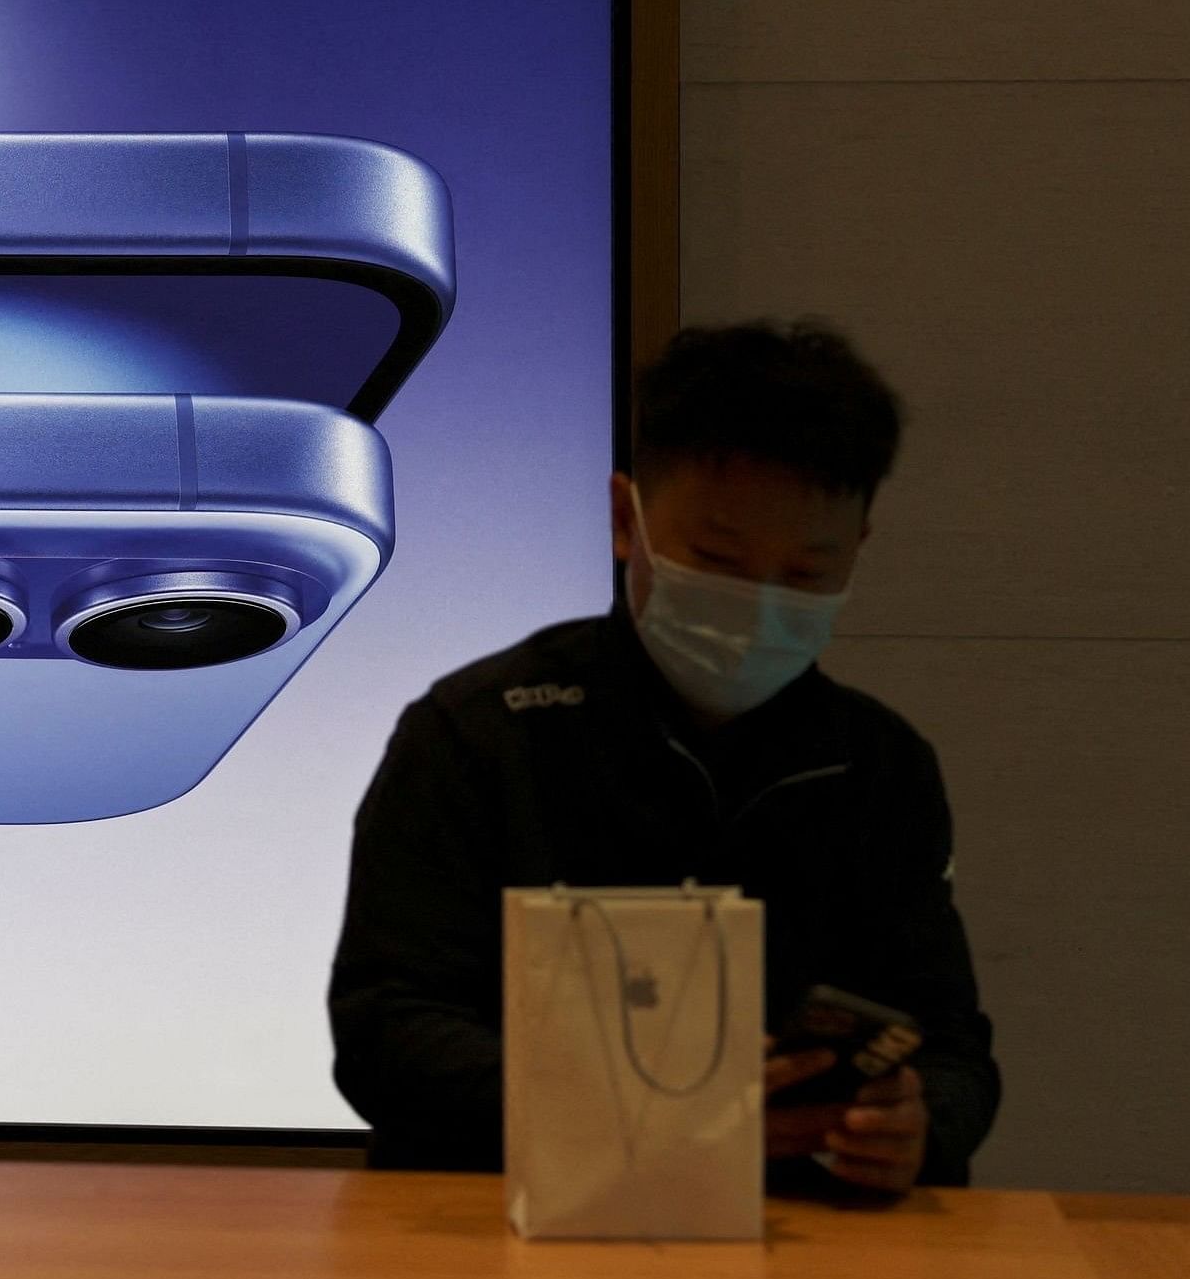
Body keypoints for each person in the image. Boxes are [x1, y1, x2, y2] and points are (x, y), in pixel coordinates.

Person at [328, 319, 998, 1193]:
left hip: (798, 1232)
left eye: (804, 574)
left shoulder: (877, 764)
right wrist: (637, 1110)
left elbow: (951, 1044)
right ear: (624, 519)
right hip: (505, 1219)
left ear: (858, 550)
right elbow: (385, 1033)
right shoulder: (481, 730)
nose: (757, 609)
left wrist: (921, 1124)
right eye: (717, 560)